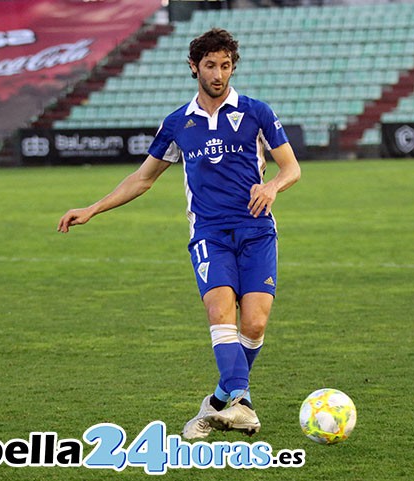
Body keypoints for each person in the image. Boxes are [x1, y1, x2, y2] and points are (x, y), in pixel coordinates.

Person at [57, 28, 301, 439]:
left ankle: (219, 403)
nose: (219, 74)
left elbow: (291, 167)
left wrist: (272, 186)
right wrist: (93, 208)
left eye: (226, 66)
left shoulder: (257, 112)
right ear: (194, 67)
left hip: (257, 231)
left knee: (255, 326)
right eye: (210, 65)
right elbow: (142, 179)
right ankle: (240, 400)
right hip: (209, 234)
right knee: (219, 311)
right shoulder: (177, 123)